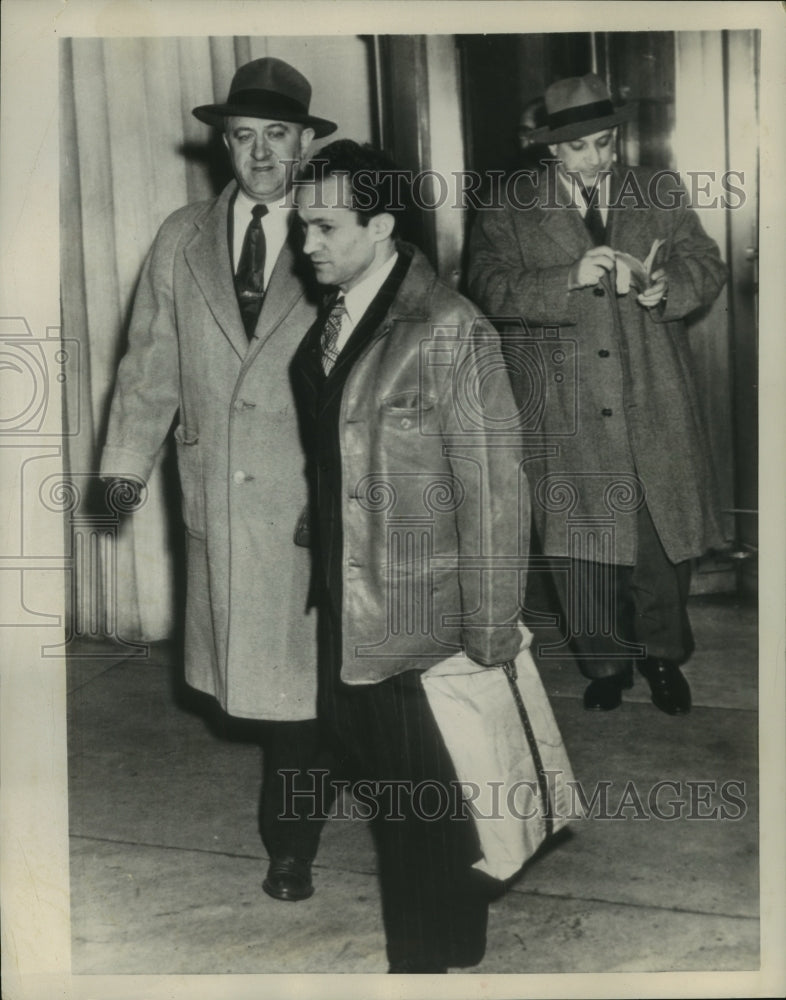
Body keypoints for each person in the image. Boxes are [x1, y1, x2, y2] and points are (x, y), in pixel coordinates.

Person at [100, 57, 338, 902]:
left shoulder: (340, 229)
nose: (261, 153)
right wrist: (124, 468)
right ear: (223, 145)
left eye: (279, 134)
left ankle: (290, 846)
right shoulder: (181, 235)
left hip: (312, 500)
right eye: (244, 136)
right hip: (219, 500)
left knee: (303, 700)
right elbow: (150, 363)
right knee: (265, 688)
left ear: (307, 143)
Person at [290, 139, 529, 973]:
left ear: (381, 223)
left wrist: (492, 630)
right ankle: (451, 948)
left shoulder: (449, 326)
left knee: (418, 803)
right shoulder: (345, 305)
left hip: (421, 612)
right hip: (350, 599)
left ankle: (423, 967)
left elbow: (496, 489)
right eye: (301, 226)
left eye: (324, 226)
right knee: (412, 796)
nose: (306, 244)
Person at [467, 73, 727, 715]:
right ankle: (605, 665)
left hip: (651, 393)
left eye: (606, 143)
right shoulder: (508, 202)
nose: (597, 159)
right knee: (579, 547)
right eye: (580, 148)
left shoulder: (657, 189)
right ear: (550, 148)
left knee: (657, 542)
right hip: (566, 402)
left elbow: (707, 261)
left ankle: (665, 660)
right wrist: (567, 278)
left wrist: (670, 288)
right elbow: (486, 285)